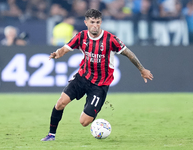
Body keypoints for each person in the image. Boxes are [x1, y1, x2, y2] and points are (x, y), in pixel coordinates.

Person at [41, 9, 153, 141]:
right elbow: (65, 48)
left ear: (101, 22)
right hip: (82, 77)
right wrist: (57, 53)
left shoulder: (111, 39)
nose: (95, 25)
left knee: (84, 122)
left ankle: (92, 109)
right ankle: (51, 135)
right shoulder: (81, 36)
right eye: (92, 22)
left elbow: (128, 53)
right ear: (86, 22)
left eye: (98, 22)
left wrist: (142, 69)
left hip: (100, 85)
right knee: (60, 103)